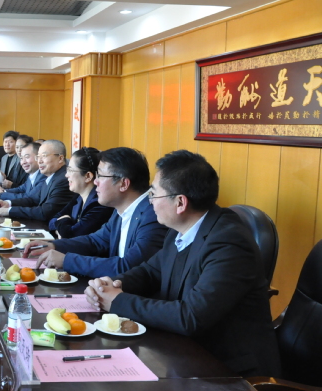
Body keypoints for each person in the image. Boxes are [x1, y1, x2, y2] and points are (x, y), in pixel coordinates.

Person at [84, 150, 281, 378]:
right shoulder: (181, 229)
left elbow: (191, 316)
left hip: (230, 373)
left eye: (154, 194)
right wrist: (112, 285)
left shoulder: (229, 243)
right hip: (184, 353)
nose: (150, 202)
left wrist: (118, 301)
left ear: (180, 202)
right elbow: (150, 272)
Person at [24, 147, 167, 278]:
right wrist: (54, 245)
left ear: (123, 184)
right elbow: (95, 241)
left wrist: (67, 260)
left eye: (100, 176)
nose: (95, 181)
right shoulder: (121, 210)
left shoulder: (152, 215)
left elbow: (128, 267)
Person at [0, 139, 74, 222]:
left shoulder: (63, 179)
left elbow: (44, 212)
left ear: (60, 158)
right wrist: (8, 203)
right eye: (38, 157)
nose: (39, 161)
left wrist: (8, 211)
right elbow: (33, 200)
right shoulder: (51, 176)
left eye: (44, 156)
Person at [48, 146, 114, 239]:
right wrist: (62, 228)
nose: (66, 175)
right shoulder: (78, 197)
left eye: (70, 170)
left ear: (88, 176)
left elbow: (72, 235)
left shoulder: (99, 204)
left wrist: (64, 221)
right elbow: (52, 221)